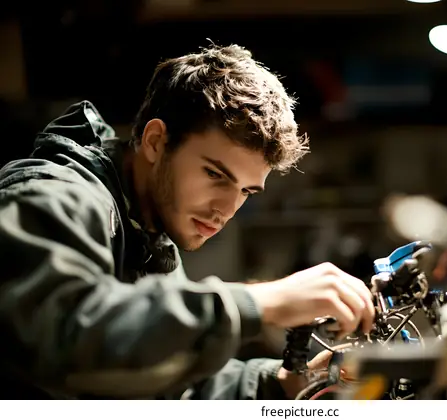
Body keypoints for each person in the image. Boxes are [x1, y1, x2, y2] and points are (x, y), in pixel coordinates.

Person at [0, 44, 375, 399]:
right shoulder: (58, 196)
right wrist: (259, 302)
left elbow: (159, 386)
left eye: (246, 191)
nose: (226, 209)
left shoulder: (147, 230)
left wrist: (282, 384)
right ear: (156, 141)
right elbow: (62, 334)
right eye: (216, 174)